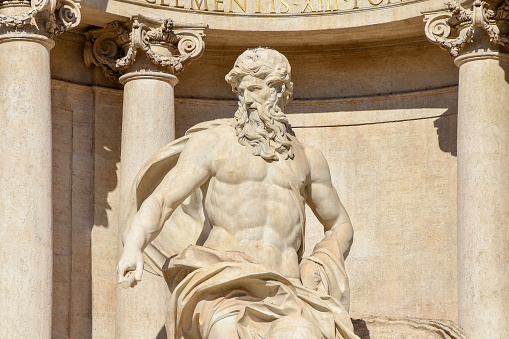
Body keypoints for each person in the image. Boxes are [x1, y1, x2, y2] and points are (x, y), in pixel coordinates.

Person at [118, 47, 359, 339]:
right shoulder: (212, 143)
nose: (246, 98)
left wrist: (318, 263)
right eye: (241, 90)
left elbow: (339, 224)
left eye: (255, 89)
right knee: (226, 330)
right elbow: (162, 200)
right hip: (221, 283)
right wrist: (133, 245)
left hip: (286, 286)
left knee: (302, 335)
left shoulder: (308, 158)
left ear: (280, 91)